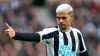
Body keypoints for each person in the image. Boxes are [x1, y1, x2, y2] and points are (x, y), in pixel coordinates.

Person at [4, 4, 89, 56]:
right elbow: (34, 36)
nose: (61, 21)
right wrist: (15, 34)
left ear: (71, 17)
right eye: (58, 18)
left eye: (64, 18)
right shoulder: (52, 32)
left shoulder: (77, 34)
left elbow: (84, 53)